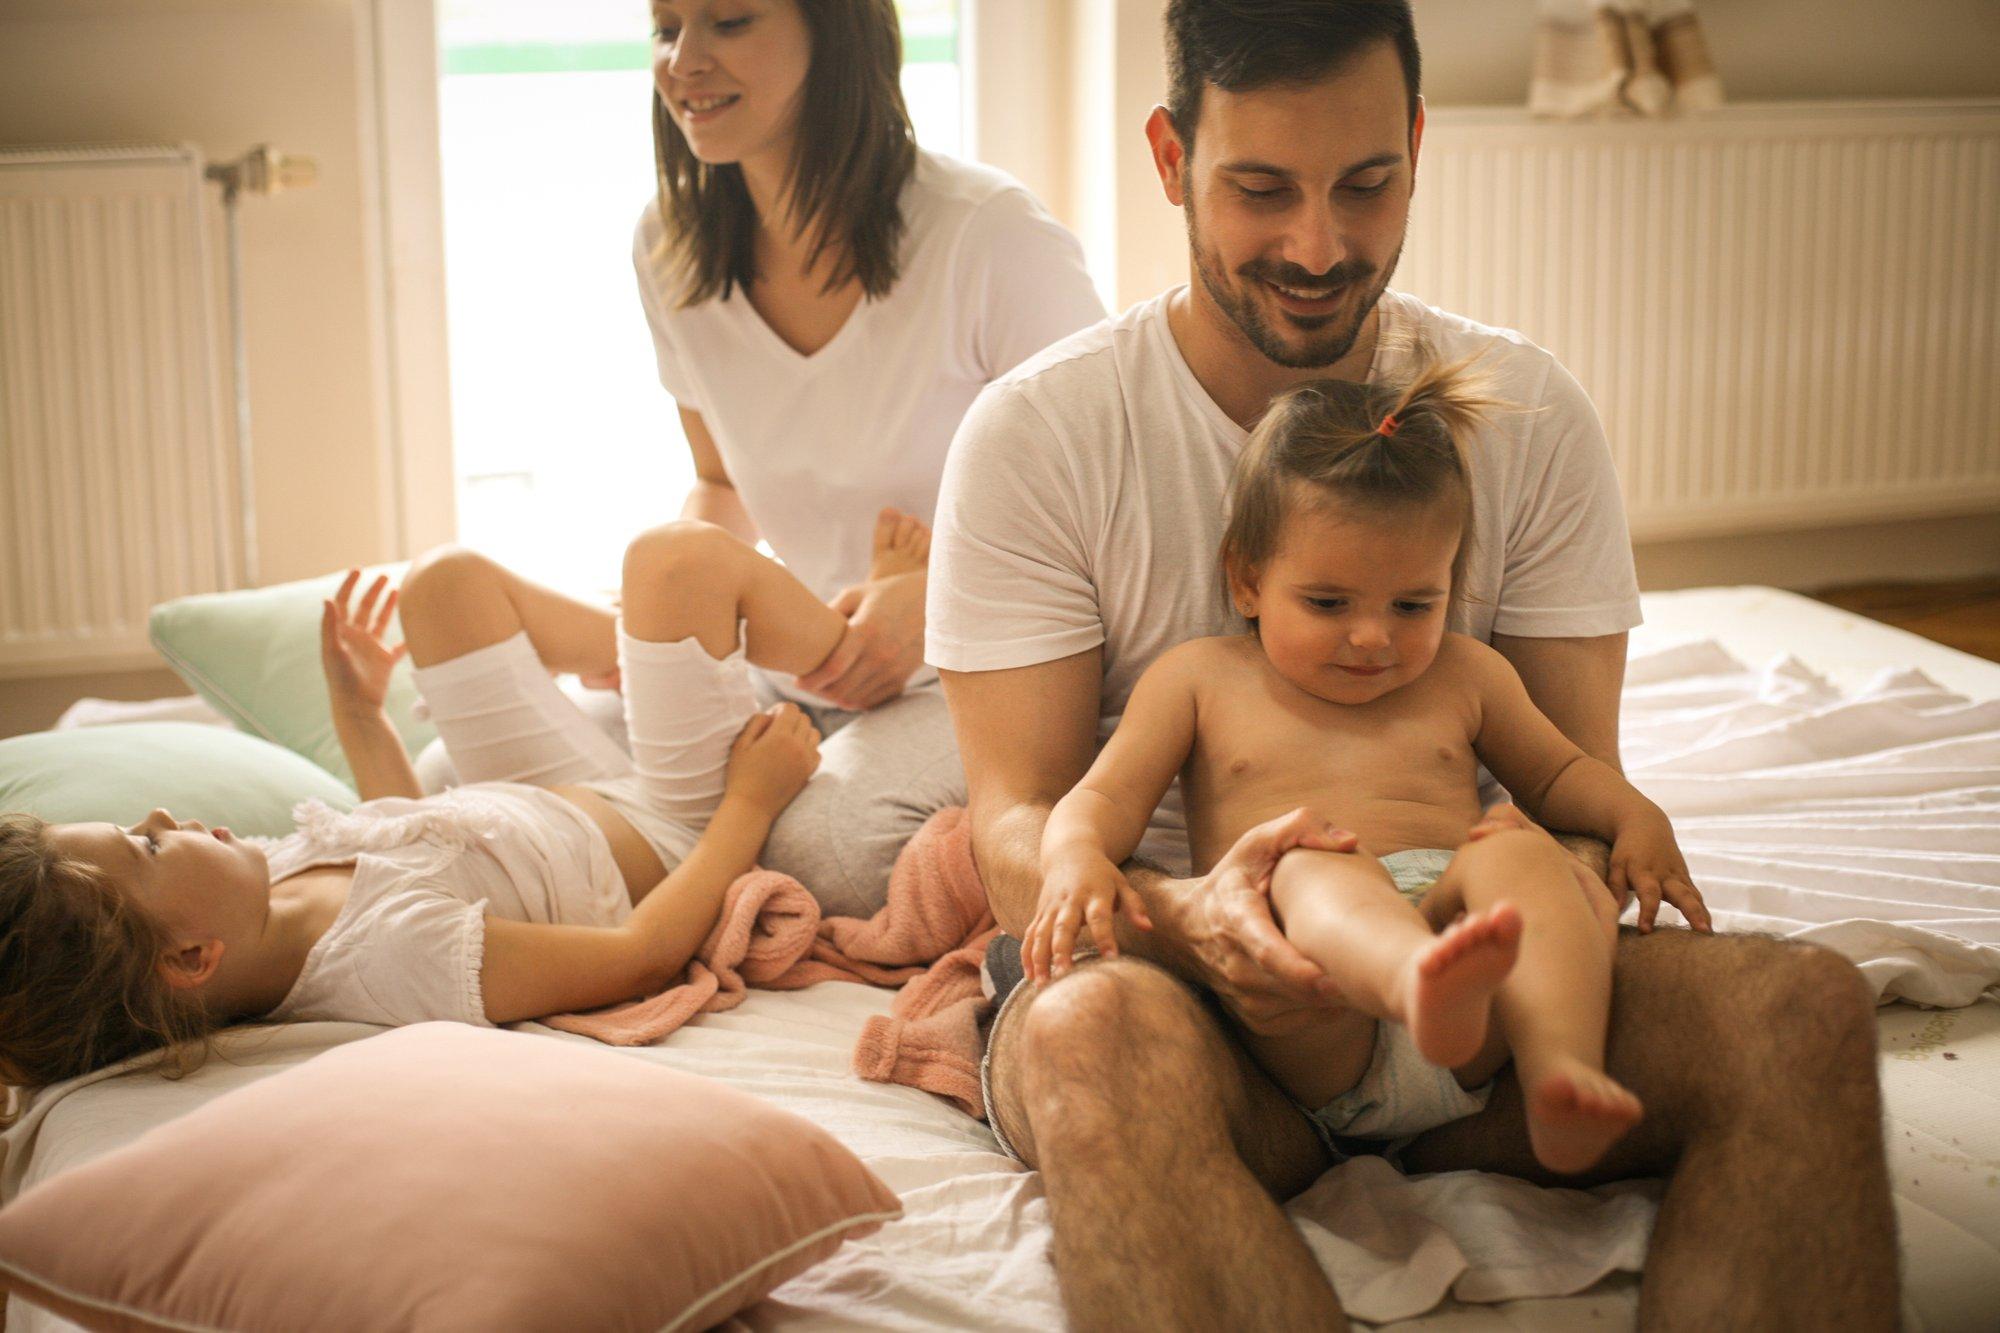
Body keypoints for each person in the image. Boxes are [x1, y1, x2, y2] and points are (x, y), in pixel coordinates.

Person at [927, 2, 1896, 1327]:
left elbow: (1568, 786)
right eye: (1261, 189)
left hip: (1479, 1015)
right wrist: (1202, 924)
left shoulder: (1526, 412)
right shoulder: (1041, 435)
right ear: (1169, 158)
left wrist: (1561, 881)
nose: (1319, 247)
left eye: (1368, 185)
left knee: (1806, 1009)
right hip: (1193, 1016)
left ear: (1419, 146)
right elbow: (1016, 830)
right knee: (1080, 1033)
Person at [1026, 357, 1714, 1178]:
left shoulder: (1469, 675)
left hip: (1475, 986)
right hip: (1317, 1003)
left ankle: (1561, 1071)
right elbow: (1100, 795)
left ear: (1450, 585)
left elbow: (1563, 776)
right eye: (1329, 603)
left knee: (1520, 852)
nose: (1373, 638)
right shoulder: (1199, 679)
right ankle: (1416, 980)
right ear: (1247, 579)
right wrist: (1075, 856)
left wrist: (1639, 816)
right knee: (1308, 863)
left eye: (1412, 605)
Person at [0, 513, 925, 1088]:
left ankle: (655, 659)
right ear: (193, 957)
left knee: (440, 584)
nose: (161, 818)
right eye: (147, 846)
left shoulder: (264, 893)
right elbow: (636, 955)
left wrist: (358, 711)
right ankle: (847, 643)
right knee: (674, 561)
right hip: (670, 828)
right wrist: (748, 807)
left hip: (541, 794)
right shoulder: (390, 962)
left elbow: (396, 828)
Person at [617, 0, 1106, 914]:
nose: (685, 60)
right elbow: (722, 483)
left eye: (728, 21)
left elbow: (1117, 508)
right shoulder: (667, 244)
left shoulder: (989, 236)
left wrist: (935, 603)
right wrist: (680, 624)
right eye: (666, 26)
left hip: (986, 671)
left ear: (832, 30)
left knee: (824, 850)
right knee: (454, 756)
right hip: (806, 657)